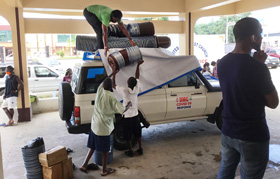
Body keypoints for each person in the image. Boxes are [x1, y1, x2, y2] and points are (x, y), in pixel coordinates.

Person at [217, 17, 279, 179]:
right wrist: (260, 66)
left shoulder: (222, 63)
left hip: (228, 131)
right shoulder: (258, 68)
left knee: (225, 172)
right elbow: (273, 103)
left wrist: (256, 64)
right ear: (253, 38)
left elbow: (239, 86)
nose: (261, 38)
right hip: (252, 136)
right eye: (260, 34)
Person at [80, 77, 131, 176]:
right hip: (104, 128)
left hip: (94, 125)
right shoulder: (112, 97)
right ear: (111, 87)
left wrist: (113, 73)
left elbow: (104, 81)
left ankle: (84, 165)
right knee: (105, 151)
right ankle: (104, 170)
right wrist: (128, 105)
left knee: (92, 147)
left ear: (103, 85)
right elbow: (122, 110)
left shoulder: (100, 90)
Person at [112, 60, 144, 157]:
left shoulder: (124, 91)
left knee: (128, 135)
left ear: (128, 83)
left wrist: (114, 73)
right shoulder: (136, 89)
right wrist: (138, 65)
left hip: (127, 117)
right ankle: (140, 149)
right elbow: (137, 76)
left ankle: (130, 150)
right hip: (135, 115)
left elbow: (113, 85)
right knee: (138, 133)